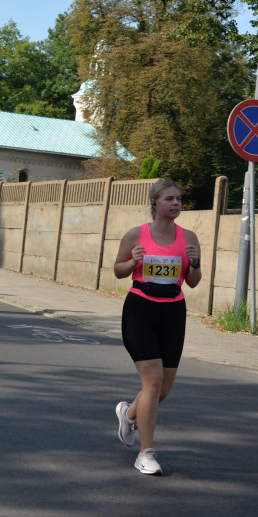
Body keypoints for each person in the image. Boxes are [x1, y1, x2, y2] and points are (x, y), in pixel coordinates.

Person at [112, 179, 202, 476]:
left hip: (173, 312)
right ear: (155, 203)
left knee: (163, 388)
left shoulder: (188, 237)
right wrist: (132, 262)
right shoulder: (136, 234)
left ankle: (129, 413)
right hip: (140, 309)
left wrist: (196, 264)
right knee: (152, 383)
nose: (176, 204)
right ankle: (145, 453)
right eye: (169, 199)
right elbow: (117, 270)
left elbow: (192, 281)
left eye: (179, 199)